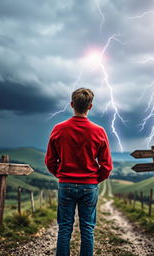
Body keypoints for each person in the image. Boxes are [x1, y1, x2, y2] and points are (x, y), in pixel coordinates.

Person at [45, 88, 113, 256]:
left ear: (71, 104)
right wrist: (94, 179)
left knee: (65, 228)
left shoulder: (58, 129)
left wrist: (62, 175)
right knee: (87, 229)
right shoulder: (99, 131)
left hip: (66, 184)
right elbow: (106, 166)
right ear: (90, 106)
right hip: (89, 186)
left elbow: (50, 161)